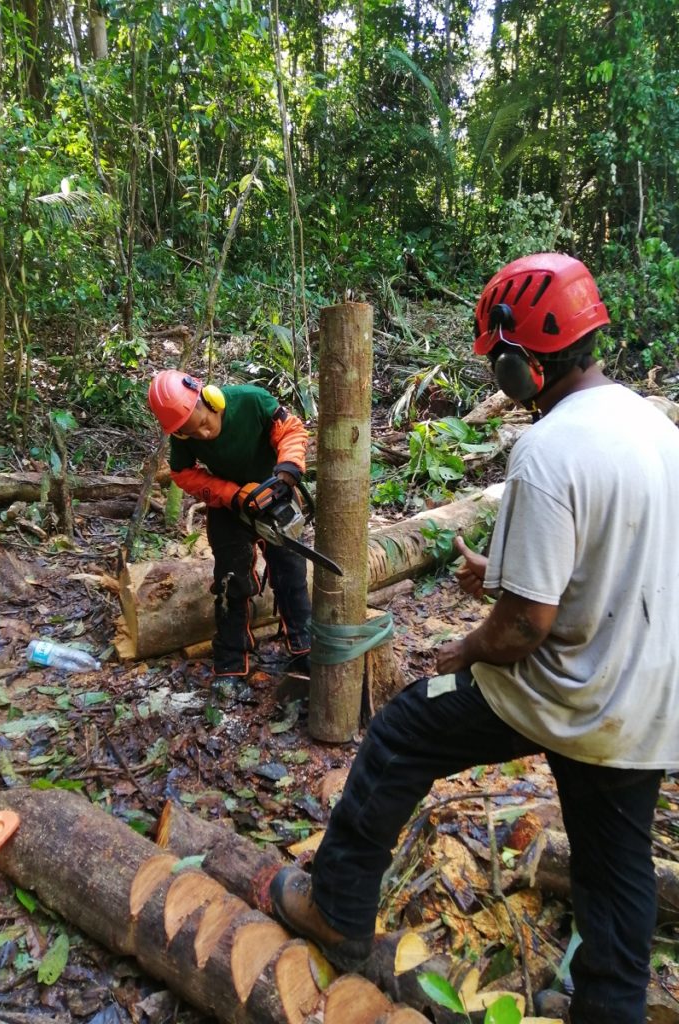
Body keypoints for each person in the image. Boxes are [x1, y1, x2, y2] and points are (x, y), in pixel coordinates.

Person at [270, 252, 679, 1024]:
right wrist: (502, 569)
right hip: (649, 699)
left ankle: (338, 907)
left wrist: (468, 649)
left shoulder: (548, 452)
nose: (500, 377)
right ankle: (608, 1005)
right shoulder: (649, 425)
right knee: (615, 869)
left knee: (402, 729)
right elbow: (612, 556)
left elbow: (526, 625)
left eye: (500, 362)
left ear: (526, 366)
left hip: (571, 687)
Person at [148, 370, 311, 693]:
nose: (204, 434)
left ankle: (306, 649)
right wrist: (232, 494)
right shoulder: (185, 437)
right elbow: (183, 474)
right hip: (231, 505)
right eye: (194, 433)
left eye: (205, 423)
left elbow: (291, 429)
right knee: (229, 582)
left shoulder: (251, 401)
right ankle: (231, 664)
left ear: (210, 399)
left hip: (274, 490)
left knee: (290, 572)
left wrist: (288, 469)